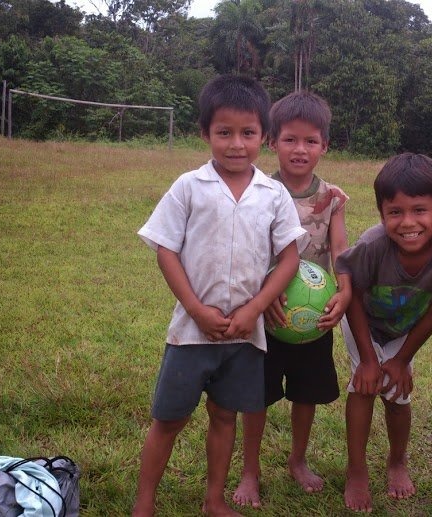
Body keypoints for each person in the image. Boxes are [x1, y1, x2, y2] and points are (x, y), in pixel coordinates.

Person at [133, 74, 306, 517]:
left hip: (245, 336)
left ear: (263, 137)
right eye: (223, 132)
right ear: (204, 133)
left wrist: (255, 308)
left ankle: (214, 500)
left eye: (248, 133)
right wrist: (195, 308)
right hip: (191, 334)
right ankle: (144, 503)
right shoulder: (189, 187)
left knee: (225, 417)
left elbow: (289, 257)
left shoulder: (273, 194)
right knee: (169, 420)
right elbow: (165, 249)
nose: (236, 144)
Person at [232, 91, 351, 508]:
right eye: (290, 140)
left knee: (306, 394)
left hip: (310, 320)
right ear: (272, 142)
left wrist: (346, 289)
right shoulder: (257, 191)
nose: (300, 150)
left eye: (311, 141)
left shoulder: (332, 197)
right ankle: (250, 470)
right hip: (266, 314)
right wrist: (261, 298)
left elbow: (340, 250)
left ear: (325, 146)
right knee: (256, 396)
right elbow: (247, 252)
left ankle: (297, 460)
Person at [335, 153, 432, 512]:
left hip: (406, 330)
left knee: (398, 395)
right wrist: (369, 360)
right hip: (361, 321)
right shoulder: (372, 245)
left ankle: (397, 461)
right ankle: (357, 470)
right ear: (382, 213)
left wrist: (401, 360)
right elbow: (350, 295)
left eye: (420, 210)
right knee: (364, 386)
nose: (408, 222)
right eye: (395, 212)